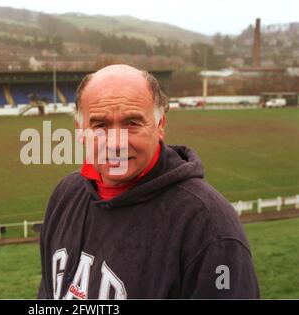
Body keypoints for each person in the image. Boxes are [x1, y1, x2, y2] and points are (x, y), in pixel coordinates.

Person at [38, 64, 259, 299]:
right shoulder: (65, 195)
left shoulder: (208, 226)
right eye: (100, 125)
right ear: (81, 131)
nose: (116, 143)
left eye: (132, 123)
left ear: (160, 125)